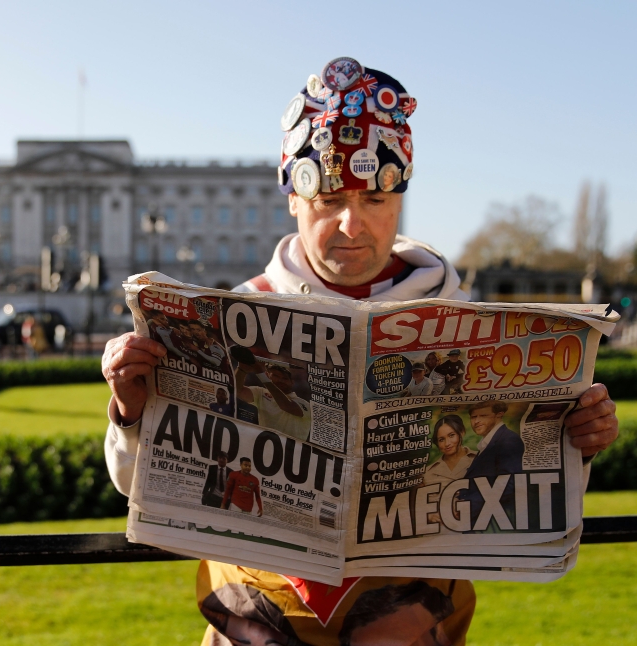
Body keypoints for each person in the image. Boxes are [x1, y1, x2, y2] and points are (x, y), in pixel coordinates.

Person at [101, 57, 620, 645]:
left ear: (400, 197)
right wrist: (131, 409)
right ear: (293, 200)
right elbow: (132, 484)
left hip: (405, 622)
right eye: (328, 199)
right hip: (257, 620)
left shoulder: (471, 320)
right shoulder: (228, 313)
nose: (352, 225)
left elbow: (519, 491)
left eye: (374, 199)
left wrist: (578, 438)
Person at [460, 401, 525, 522]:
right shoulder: (488, 443)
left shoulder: (508, 440)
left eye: (483, 416)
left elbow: (509, 485)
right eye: (473, 417)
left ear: (499, 415)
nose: (476, 421)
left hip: (495, 519)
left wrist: (466, 509)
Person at [235, 361, 310, 442]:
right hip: (265, 448)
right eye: (276, 376)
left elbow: (286, 406)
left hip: (291, 452)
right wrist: (241, 369)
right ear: (268, 375)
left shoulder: (304, 404)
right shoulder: (261, 393)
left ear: (292, 383)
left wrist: (261, 375)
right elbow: (237, 391)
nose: (280, 380)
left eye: (285, 378)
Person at [424, 415, 477, 489]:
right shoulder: (428, 472)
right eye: (441, 440)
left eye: (451, 435)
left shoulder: (480, 458)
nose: (447, 443)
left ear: (462, 432)